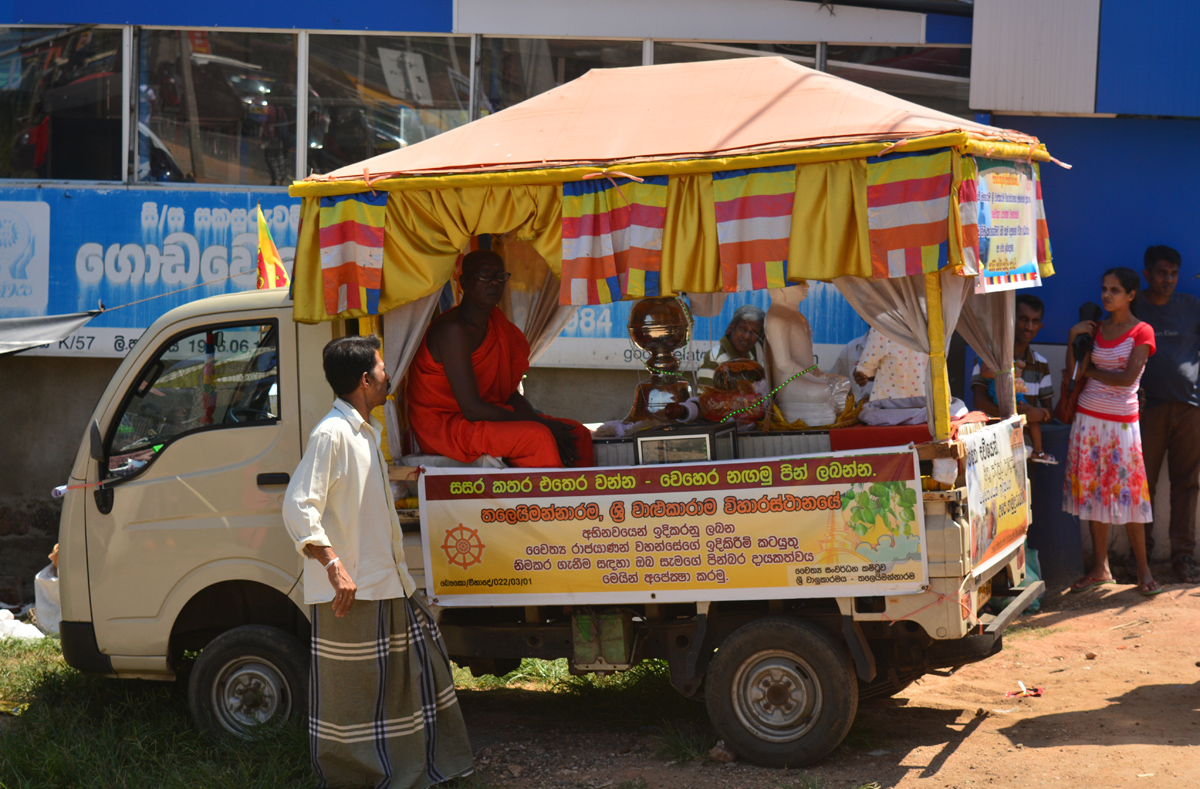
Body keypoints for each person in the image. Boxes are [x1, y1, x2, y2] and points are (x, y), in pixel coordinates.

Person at [283, 335, 473, 788]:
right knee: (353, 702)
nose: (390, 375)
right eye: (384, 369)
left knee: (410, 684)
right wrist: (333, 565)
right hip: (351, 594)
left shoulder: (365, 431)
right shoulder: (332, 434)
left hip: (387, 583)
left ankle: (412, 772)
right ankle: (357, 779)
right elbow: (296, 506)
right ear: (366, 380)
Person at [407, 250, 593, 468]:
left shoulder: (496, 323)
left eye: (500, 276)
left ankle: (581, 499)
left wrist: (539, 418)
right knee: (537, 436)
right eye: (485, 276)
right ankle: (550, 501)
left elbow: (506, 393)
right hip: (446, 426)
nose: (494, 283)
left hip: (483, 417)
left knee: (576, 433)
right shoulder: (452, 331)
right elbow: (472, 409)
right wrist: (537, 422)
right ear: (465, 283)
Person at [1064, 268, 1161, 596]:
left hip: (1122, 424)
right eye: (1105, 289)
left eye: (1115, 290)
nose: (1107, 295)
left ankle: (1143, 569)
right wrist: (1072, 338)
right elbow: (1076, 375)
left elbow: (1126, 380)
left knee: (1131, 495)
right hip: (1089, 421)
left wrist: (1090, 370)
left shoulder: (1142, 332)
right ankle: (1100, 568)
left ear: (1131, 295)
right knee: (1093, 493)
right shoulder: (1096, 328)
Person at [1138, 245, 1200, 584]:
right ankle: (1141, 556)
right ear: (1147, 274)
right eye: (1162, 273)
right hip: (1149, 409)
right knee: (1144, 485)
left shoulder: (1191, 306)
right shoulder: (1135, 305)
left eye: (1174, 274)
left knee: (1187, 484)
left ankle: (1183, 557)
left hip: (1190, 408)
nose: (1169, 280)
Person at [970, 293, 1056, 463]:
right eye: (1024, 319)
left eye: (1035, 321)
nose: (1029, 327)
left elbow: (1048, 412)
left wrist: (1039, 414)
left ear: (1040, 326)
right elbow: (979, 402)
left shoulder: (1041, 364)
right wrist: (1022, 415)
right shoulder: (988, 355)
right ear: (1011, 319)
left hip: (1027, 451)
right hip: (993, 446)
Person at [697, 304, 766, 387]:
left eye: (754, 332)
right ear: (731, 326)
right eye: (743, 329)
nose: (747, 336)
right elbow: (706, 398)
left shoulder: (757, 351)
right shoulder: (713, 359)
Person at [853, 327, 928, 401]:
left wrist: (863, 371)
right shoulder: (930, 327)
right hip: (925, 406)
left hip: (890, 405)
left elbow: (865, 370)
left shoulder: (882, 328)